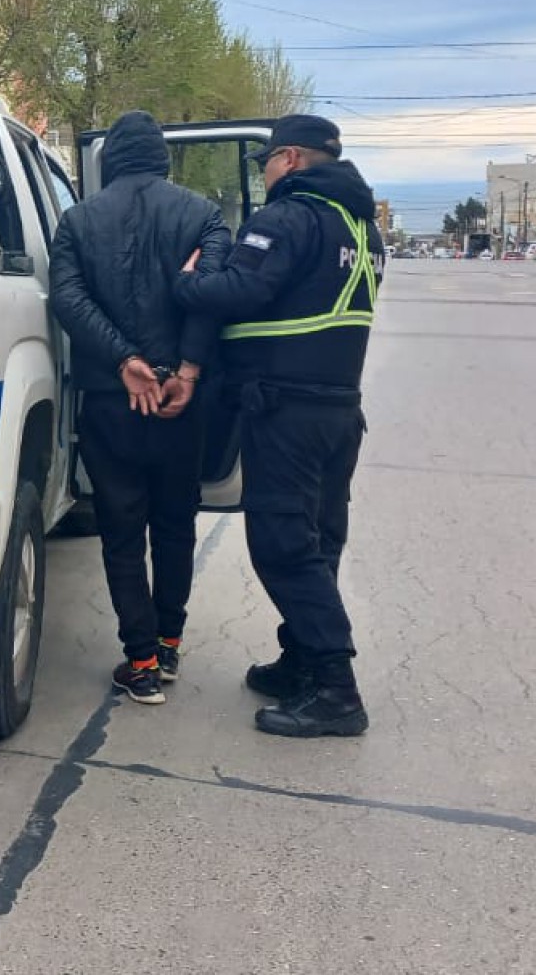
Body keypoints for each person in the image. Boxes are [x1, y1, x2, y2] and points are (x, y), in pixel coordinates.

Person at [171, 114, 382, 737]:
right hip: (338, 409)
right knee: (318, 540)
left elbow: (239, 291)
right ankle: (303, 661)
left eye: (265, 162)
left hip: (287, 409)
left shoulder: (288, 217)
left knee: (283, 545)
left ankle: (336, 690)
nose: (263, 173)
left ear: (289, 158)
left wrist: (187, 283)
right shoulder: (360, 226)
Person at [51, 110, 232, 705]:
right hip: (182, 405)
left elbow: (68, 298)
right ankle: (170, 643)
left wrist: (123, 359)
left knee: (122, 531)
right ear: (163, 159)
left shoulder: (77, 220)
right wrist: (186, 371)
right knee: (176, 526)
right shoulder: (203, 215)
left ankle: (142, 660)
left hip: (111, 402)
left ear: (108, 162)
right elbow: (210, 298)